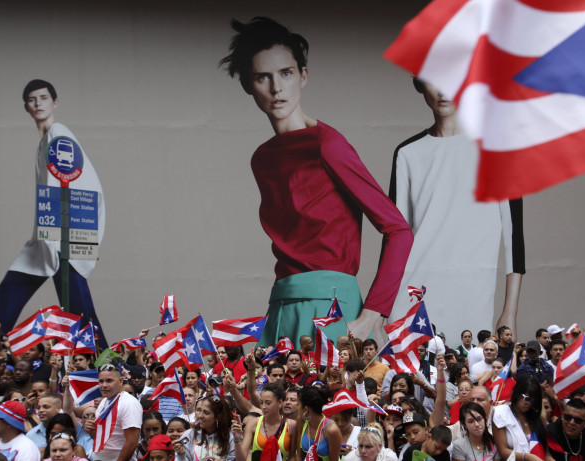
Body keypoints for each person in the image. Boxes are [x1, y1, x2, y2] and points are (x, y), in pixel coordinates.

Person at [220, 17, 413, 345]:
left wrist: (372, 315)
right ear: (248, 86)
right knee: (272, 395)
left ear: (303, 76)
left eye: (286, 73)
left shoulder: (328, 144)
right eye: (263, 77)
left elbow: (398, 230)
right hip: (281, 302)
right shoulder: (262, 158)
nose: (277, 88)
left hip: (333, 303)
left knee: (329, 395)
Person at [389, 77, 524, 342]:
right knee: (409, 378)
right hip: (414, 292)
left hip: (471, 291)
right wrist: (380, 310)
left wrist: (510, 312)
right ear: (419, 84)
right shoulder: (407, 153)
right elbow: (396, 238)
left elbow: (513, 237)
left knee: (466, 373)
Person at [0, 79, 107, 345]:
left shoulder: (59, 134)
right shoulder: (46, 140)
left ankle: (104, 360)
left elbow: (73, 185)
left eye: (43, 97)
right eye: (33, 99)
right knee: (10, 290)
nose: (38, 103)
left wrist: (58, 237)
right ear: (27, 107)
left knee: (79, 310)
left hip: (62, 237)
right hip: (46, 237)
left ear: (54, 102)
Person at [89, 364, 142, 461]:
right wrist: (92, 431)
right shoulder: (104, 402)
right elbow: (106, 438)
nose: (104, 385)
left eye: (109, 381)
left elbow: (132, 442)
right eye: (101, 381)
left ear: (120, 381)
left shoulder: (129, 403)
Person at [235, 383, 295, 461]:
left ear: (280, 403)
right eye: (261, 402)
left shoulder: (292, 425)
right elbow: (241, 459)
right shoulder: (253, 424)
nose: (263, 407)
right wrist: (236, 439)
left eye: (268, 403)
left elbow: (293, 457)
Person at [492, 376, 546, 461]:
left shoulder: (538, 418)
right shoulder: (501, 413)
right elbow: (503, 451)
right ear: (516, 393)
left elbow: (546, 452)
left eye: (533, 400)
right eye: (527, 399)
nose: (529, 404)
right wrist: (528, 457)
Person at [296, 386, 340, 461]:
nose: (297, 408)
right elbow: (299, 456)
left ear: (306, 409)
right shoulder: (301, 420)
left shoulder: (332, 430)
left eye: (298, 404)